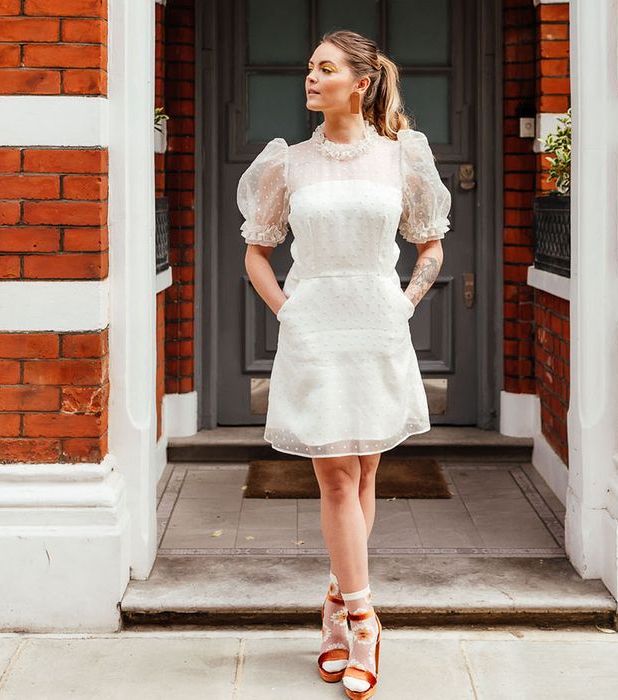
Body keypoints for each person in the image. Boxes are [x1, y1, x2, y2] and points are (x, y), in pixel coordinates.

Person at [236, 29, 451, 699]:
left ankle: (334, 603)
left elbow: (431, 245)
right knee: (333, 473)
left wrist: (406, 304)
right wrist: (286, 311)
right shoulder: (287, 163)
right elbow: (256, 251)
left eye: (324, 69)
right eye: (308, 69)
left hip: (375, 325)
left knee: (362, 470)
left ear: (359, 83)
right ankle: (364, 617)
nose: (310, 78)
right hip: (315, 328)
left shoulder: (401, 157)